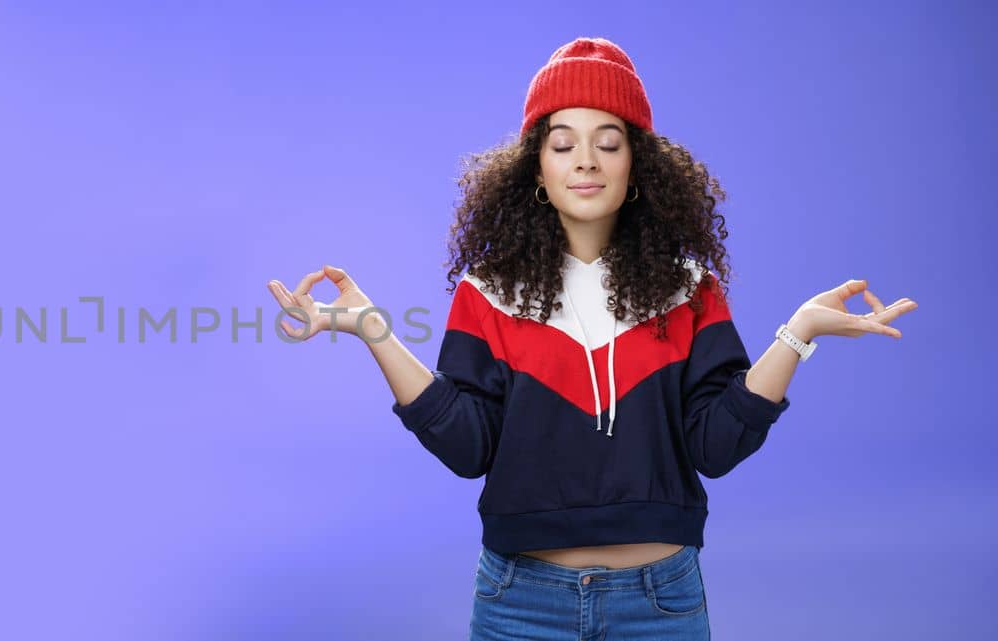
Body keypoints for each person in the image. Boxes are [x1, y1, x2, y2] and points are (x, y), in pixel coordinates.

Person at [264, 37, 917, 640]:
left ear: (638, 168)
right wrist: (373, 331)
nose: (585, 160)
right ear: (536, 171)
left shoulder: (691, 291)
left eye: (608, 142)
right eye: (562, 142)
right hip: (518, 601)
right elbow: (469, 447)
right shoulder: (488, 293)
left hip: (660, 603)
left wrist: (797, 333)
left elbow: (715, 445)